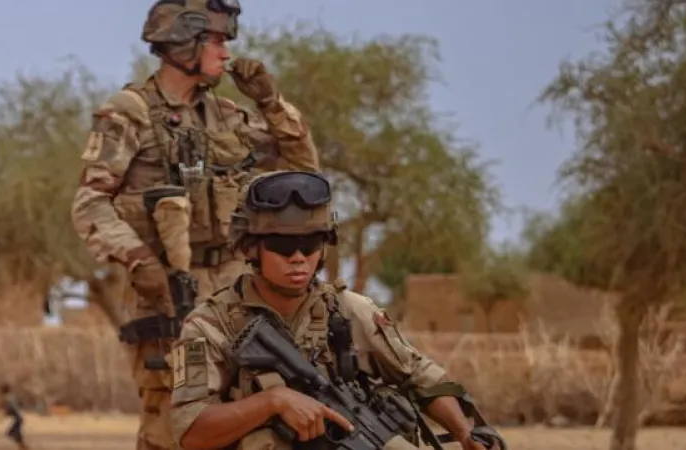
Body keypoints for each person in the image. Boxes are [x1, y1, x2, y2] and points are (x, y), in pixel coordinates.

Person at [69, 1, 322, 449]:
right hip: (166, 291)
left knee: (243, 413)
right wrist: (139, 261)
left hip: (233, 290)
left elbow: (306, 172)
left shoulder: (227, 115)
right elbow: (90, 202)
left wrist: (270, 101)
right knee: (170, 422)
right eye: (218, 41)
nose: (227, 53)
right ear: (185, 43)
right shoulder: (128, 112)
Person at [167, 171, 506, 450]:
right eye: (283, 245)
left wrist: (465, 433)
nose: (299, 257)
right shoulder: (207, 325)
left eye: (311, 243)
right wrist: (272, 402)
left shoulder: (348, 310)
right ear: (250, 247)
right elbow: (191, 431)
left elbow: (419, 376)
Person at [0, 385, 27, 450]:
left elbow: (9, 408)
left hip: (18, 418)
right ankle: (22, 446)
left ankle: (23, 446)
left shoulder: (8, 398)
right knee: (15, 433)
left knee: (11, 433)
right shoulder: (11, 397)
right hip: (19, 417)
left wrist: (3, 416)